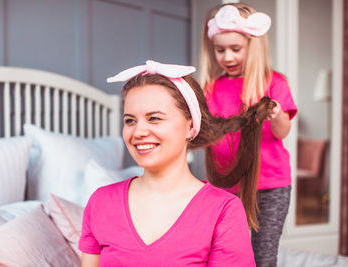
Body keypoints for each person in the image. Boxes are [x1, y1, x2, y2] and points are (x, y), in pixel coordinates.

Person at [78, 60, 275, 267]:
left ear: (190, 126)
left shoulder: (223, 210)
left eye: (154, 118)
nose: (138, 132)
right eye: (130, 121)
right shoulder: (100, 202)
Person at [200, 3, 298, 267]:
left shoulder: (275, 83)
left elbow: (282, 132)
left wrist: (277, 115)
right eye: (220, 50)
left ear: (253, 48)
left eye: (235, 49)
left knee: (263, 255)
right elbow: (209, 133)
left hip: (271, 187)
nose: (227, 57)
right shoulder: (212, 88)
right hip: (227, 186)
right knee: (229, 253)